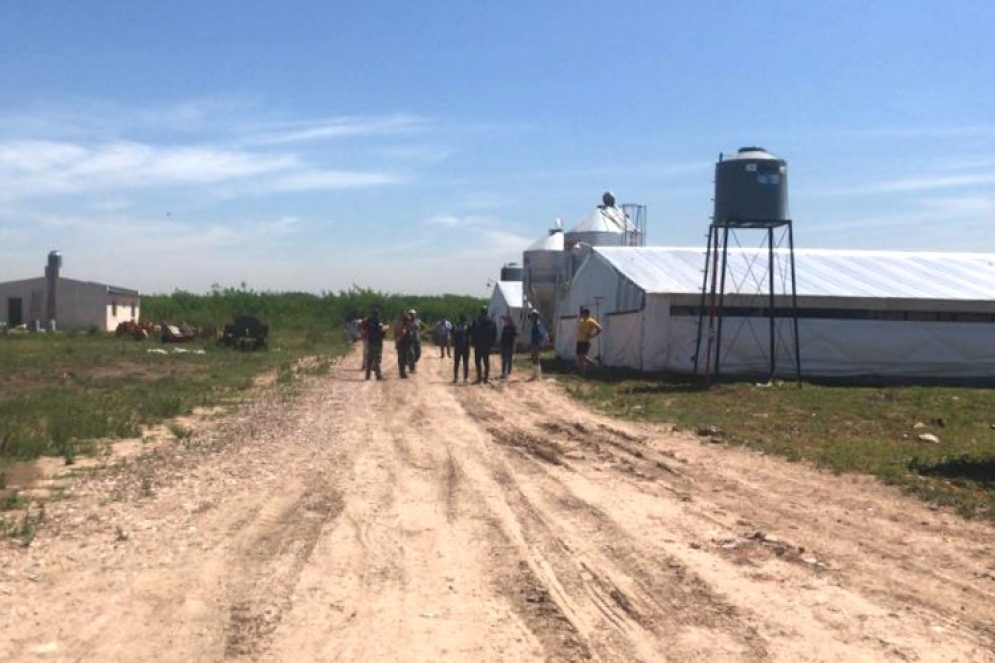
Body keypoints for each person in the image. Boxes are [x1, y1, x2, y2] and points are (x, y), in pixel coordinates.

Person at [469, 306, 498, 384]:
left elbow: (472, 331)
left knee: (478, 361)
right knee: (486, 361)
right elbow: (494, 334)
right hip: (487, 345)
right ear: (487, 312)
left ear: (481, 312)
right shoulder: (492, 321)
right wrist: (492, 343)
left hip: (478, 344)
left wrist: (473, 342)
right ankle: (485, 378)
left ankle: (479, 378)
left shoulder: (477, 320)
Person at [364, 308, 388, 381]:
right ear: (377, 314)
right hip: (377, 343)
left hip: (370, 342)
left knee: (369, 360)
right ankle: (378, 376)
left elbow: (365, 328)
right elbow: (381, 329)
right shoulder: (378, 321)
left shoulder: (368, 321)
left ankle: (367, 376)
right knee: (377, 360)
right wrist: (386, 327)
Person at [576, 306, 602, 374]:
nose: (581, 314)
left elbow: (599, 328)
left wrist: (592, 335)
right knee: (579, 357)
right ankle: (583, 372)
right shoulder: (582, 321)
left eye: (583, 313)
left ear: (586, 314)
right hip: (579, 340)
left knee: (583, 356)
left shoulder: (591, 320)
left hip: (585, 341)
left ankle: (594, 365)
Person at [394, 311, 415, 379]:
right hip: (404, 342)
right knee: (403, 358)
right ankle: (403, 373)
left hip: (401, 342)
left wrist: (397, 342)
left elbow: (396, 333)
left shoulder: (398, 323)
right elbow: (404, 332)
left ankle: (402, 372)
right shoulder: (405, 324)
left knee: (401, 358)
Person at [451, 313, 471, 383]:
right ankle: (459, 378)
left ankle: (460, 378)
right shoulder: (462, 326)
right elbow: (452, 333)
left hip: (462, 346)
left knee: (461, 363)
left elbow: (452, 333)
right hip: (462, 346)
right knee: (460, 363)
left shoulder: (458, 326)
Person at [528, 310, 548, 381]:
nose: (531, 318)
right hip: (534, 343)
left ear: (536, 316)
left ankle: (538, 376)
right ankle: (534, 375)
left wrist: (540, 343)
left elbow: (542, 335)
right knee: (534, 359)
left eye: (533, 316)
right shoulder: (534, 325)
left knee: (536, 359)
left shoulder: (538, 325)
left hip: (537, 344)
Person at [499, 310, 518, 379]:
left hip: (510, 346)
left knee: (509, 360)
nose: (505, 321)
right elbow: (502, 337)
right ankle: (503, 372)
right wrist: (501, 344)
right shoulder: (505, 328)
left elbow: (515, 338)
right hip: (504, 346)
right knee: (504, 360)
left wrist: (514, 347)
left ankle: (508, 372)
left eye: (506, 320)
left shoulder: (513, 328)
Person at [408, 309, 424, 373]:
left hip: (417, 339)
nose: (412, 315)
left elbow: (424, 327)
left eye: (413, 314)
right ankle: (412, 368)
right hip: (409, 340)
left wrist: (421, 333)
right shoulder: (407, 321)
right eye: (410, 314)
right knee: (412, 354)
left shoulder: (418, 321)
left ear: (415, 314)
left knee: (418, 353)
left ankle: (412, 363)